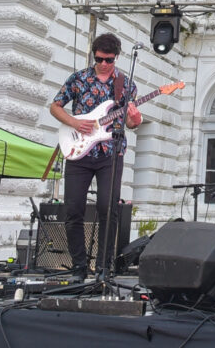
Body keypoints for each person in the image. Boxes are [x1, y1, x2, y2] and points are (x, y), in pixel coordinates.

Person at [50, 32, 141, 281]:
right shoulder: (78, 79)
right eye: (99, 58)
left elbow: (132, 123)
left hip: (110, 152)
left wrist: (134, 118)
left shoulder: (126, 84)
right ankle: (79, 266)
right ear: (94, 56)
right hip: (79, 151)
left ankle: (103, 267)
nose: (103, 64)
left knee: (107, 208)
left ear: (116, 58)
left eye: (109, 60)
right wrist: (75, 123)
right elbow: (55, 106)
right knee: (73, 209)